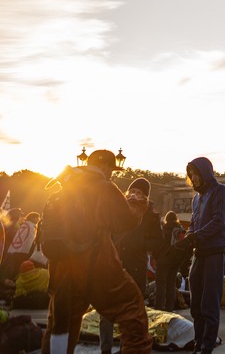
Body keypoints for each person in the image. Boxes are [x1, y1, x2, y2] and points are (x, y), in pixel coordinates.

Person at [41, 149, 152, 354]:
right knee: (132, 310)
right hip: (95, 263)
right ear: (105, 167)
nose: (112, 175)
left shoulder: (63, 188)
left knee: (61, 325)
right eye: (111, 170)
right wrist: (137, 206)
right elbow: (124, 221)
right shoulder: (103, 187)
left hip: (61, 268)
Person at [174, 156, 225, 354]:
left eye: (196, 174)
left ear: (205, 173)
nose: (194, 178)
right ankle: (198, 342)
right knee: (195, 301)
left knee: (209, 302)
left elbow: (219, 221)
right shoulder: (196, 198)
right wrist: (186, 239)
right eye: (191, 175)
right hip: (200, 252)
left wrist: (195, 236)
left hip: (216, 250)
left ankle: (207, 345)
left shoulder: (220, 191)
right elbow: (195, 224)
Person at [99, 178, 161, 354]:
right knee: (106, 311)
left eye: (139, 192)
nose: (134, 194)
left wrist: (139, 243)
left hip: (136, 266)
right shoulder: (120, 208)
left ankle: (126, 348)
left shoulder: (151, 215)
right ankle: (106, 349)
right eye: (132, 190)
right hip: (114, 263)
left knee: (133, 313)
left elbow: (158, 241)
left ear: (146, 196)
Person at [154, 211, 187, 311]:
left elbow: (156, 245)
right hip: (175, 261)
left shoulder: (162, 229)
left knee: (160, 284)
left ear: (166, 219)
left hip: (162, 260)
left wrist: (157, 257)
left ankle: (159, 307)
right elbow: (184, 247)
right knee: (171, 284)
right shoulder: (180, 231)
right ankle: (170, 307)